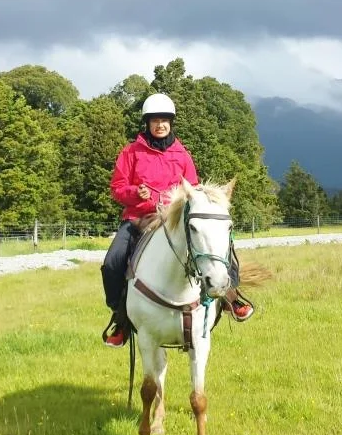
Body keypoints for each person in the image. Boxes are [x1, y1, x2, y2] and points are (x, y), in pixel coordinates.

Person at [100, 92, 253, 348]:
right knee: (112, 262)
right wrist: (135, 193)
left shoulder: (182, 154)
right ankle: (121, 318)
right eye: (155, 120)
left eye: (165, 120)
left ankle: (231, 297)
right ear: (147, 124)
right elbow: (117, 187)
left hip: (174, 219)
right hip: (140, 217)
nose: (160, 125)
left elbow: (192, 189)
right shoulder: (131, 152)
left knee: (219, 246)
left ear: (171, 123)